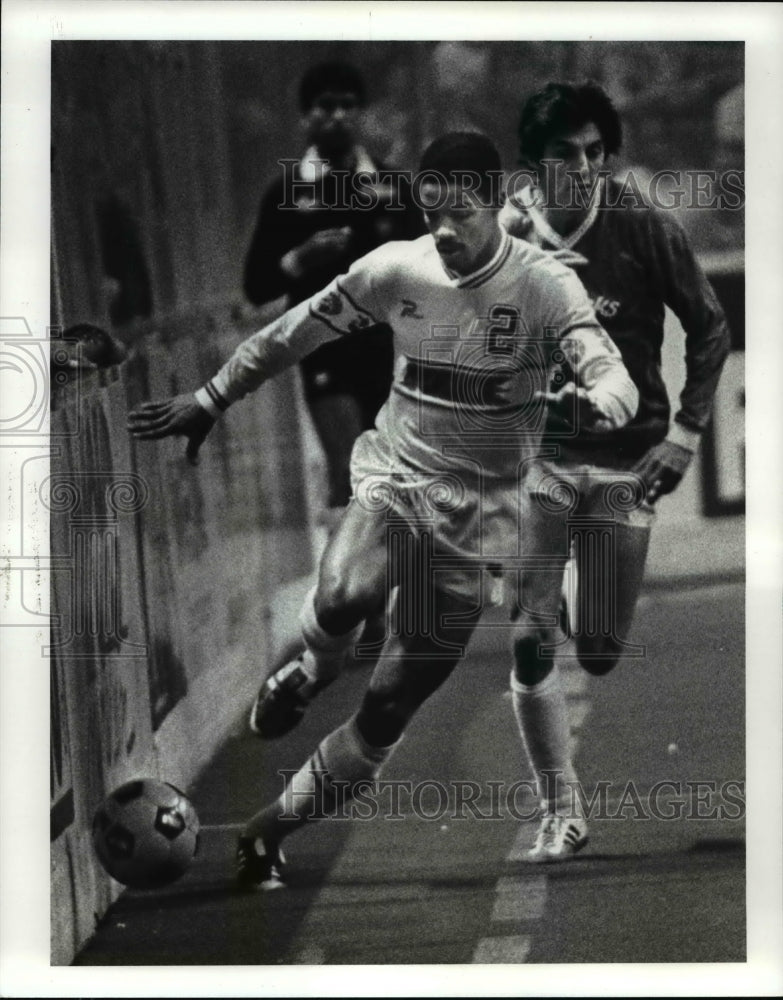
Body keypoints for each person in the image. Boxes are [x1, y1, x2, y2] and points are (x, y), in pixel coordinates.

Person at [128, 132, 639, 887]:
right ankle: (311, 667)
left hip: (478, 524)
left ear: (495, 206)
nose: (441, 230)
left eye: (458, 215)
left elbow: (612, 374)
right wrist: (210, 398)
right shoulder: (395, 267)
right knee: (341, 596)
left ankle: (269, 830)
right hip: (396, 477)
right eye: (429, 214)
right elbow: (292, 332)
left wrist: (604, 402)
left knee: (387, 708)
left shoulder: (542, 286)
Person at [498, 81, 731, 860]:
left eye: (596, 152)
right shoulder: (504, 238)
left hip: (629, 459)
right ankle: (560, 811)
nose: (584, 168)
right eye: (565, 154)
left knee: (595, 648)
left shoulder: (640, 225)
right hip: (542, 458)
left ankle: (575, 591)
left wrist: (687, 435)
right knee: (527, 633)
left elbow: (708, 327)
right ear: (533, 163)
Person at [243, 60, 423, 510]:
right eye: (326, 106)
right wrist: (301, 259)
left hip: (391, 352)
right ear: (306, 117)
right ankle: (350, 581)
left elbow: (428, 269)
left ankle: (397, 576)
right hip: (325, 350)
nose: (339, 116)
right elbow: (256, 286)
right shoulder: (285, 193)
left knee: (399, 476)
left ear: (362, 114)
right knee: (348, 471)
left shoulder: (394, 185)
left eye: (348, 105)